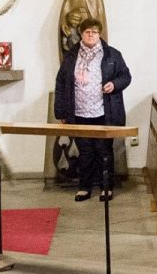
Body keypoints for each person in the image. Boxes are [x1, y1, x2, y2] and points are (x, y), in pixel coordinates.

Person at [54, 18, 131, 201]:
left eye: (94, 32)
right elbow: (61, 83)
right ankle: (84, 187)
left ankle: (106, 187)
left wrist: (114, 84)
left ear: (99, 34)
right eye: (87, 32)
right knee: (85, 151)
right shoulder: (71, 56)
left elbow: (126, 76)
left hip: (104, 112)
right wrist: (61, 112)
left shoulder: (112, 55)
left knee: (104, 150)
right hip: (79, 112)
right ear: (81, 34)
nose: (91, 35)